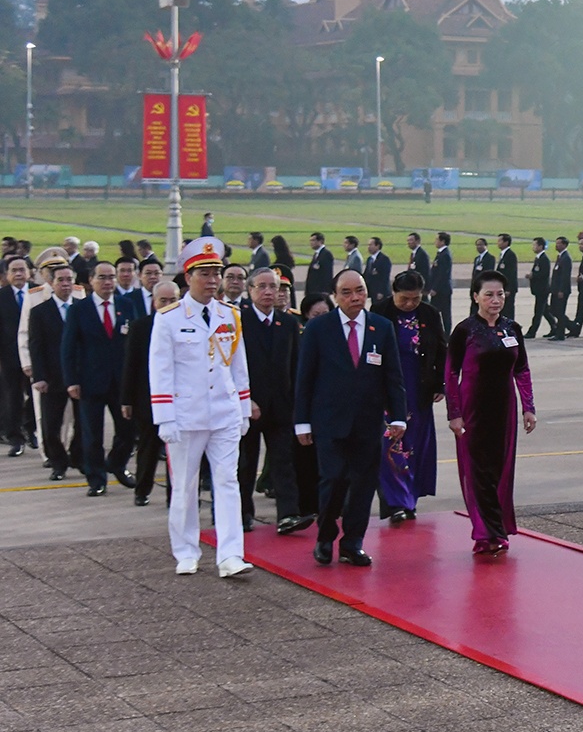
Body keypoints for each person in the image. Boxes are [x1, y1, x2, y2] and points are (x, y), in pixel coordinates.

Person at [152, 237, 254, 579]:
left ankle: (230, 555)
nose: (213, 280)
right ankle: (185, 550)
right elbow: (161, 370)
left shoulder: (230, 315)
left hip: (223, 413)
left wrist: (242, 408)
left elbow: (238, 367)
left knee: (228, 482)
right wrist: (165, 417)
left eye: (216, 273)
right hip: (186, 415)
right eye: (205, 273)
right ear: (188, 276)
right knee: (184, 486)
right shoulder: (168, 318)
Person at [295, 270, 408, 569]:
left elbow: (393, 377)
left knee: (362, 484)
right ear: (335, 296)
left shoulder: (381, 328)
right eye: (347, 292)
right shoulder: (319, 329)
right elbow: (304, 379)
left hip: (367, 423)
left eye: (360, 290)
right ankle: (325, 536)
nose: (355, 297)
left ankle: (352, 543)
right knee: (332, 480)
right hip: (329, 422)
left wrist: (398, 417)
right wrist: (302, 422)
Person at [446, 269, 535, 555]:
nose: (495, 300)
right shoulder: (465, 330)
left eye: (500, 295)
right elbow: (451, 373)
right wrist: (454, 412)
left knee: (500, 469)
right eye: (489, 295)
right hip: (474, 409)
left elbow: (521, 369)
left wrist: (528, 407)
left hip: (504, 409)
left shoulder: (512, 329)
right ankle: (484, 532)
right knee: (477, 470)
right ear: (475, 297)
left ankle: (498, 529)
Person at [373, 270, 446, 523]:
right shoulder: (379, 311)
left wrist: (440, 383)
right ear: (394, 292)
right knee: (391, 445)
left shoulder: (429, 314)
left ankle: (409, 500)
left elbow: (441, 349)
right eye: (404, 298)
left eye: (415, 299)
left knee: (414, 446)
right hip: (388, 388)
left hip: (419, 388)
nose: (410, 304)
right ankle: (395, 503)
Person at [239, 268, 307, 536]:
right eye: (262, 286)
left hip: (281, 407)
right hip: (249, 406)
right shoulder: (239, 321)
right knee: (245, 463)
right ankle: (243, 513)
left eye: (274, 287)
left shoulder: (288, 323)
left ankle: (288, 514)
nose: (269, 292)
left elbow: (295, 366)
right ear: (250, 290)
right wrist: (245, 399)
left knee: (283, 463)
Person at [63, 257, 134, 496]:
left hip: (121, 382)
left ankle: (116, 463)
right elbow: (68, 348)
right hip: (90, 382)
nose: (107, 282)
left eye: (111, 277)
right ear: (91, 281)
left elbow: (133, 345)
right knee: (92, 434)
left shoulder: (127, 304)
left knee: (127, 431)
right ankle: (96, 479)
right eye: (101, 277)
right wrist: (71, 381)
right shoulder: (78, 310)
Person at [120, 277, 179, 508]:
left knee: (176, 453)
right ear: (154, 302)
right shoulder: (141, 327)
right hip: (148, 399)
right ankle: (142, 489)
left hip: (179, 399)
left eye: (172, 300)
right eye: (163, 300)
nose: (167, 304)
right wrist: (127, 399)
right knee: (148, 447)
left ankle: (174, 496)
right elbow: (130, 366)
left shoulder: (187, 324)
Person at [26, 258, 77, 481]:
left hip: (77, 376)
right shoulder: (40, 311)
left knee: (84, 424)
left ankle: (78, 456)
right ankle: (58, 462)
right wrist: (39, 377)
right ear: (52, 283)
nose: (65, 284)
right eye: (61, 280)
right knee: (51, 425)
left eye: (69, 280)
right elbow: (35, 346)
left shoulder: (81, 309)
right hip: (52, 377)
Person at [0, 256, 32, 455]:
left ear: (29, 272)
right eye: (14, 270)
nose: (19, 274)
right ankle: (15, 438)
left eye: (22, 269)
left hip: (35, 355)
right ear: (7, 274)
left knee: (37, 396)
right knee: (12, 397)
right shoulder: (2, 296)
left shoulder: (39, 293)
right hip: (9, 356)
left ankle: (31, 428)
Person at [545, 236, 573, 341]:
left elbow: (565, 276)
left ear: (564, 245)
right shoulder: (560, 257)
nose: (556, 245)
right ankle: (571, 326)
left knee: (560, 312)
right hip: (555, 290)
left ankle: (560, 334)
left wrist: (561, 290)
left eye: (559, 244)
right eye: (556, 243)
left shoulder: (566, 258)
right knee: (554, 310)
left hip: (561, 290)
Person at [525, 236, 552, 339]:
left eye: (535, 245)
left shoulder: (544, 259)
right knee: (545, 311)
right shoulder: (538, 258)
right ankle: (555, 327)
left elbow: (544, 274)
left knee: (538, 312)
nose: (533, 247)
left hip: (542, 290)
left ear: (541, 246)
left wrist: (533, 276)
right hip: (538, 289)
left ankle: (532, 331)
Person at [429, 231, 454, 329]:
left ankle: (447, 335)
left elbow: (443, 274)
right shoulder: (441, 254)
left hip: (442, 290)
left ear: (442, 241)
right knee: (433, 312)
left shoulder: (445, 255)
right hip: (439, 289)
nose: (435, 241)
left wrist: (435, 288)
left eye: (437, 239)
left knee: (445, 314)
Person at [494, 234, 518, 322]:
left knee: (508, 310)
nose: (498, 243)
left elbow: (512, 274)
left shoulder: (510, 255)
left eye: (500, 241)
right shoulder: (503, 255)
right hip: (502, 288)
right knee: (502, 310)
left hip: (508, 289)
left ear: (506, 242)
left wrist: (508, 288)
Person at [469, 237, 495, 315]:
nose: (478, 247)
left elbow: (488, 274)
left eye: (480, 245)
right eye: (477, 245)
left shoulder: (490, 258)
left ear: (485, 245)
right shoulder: (477, 259)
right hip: (476, 289)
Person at [305, 233, 334, 304]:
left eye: (313, 240)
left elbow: (327, 274)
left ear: (320, 241)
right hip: (313, 291)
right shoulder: (317, 254)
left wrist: (325, 291)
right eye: (310, 241)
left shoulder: (326, 254)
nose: (311, 243)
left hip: (320, 291)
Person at [364, 236, 393, 302]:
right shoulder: (369, 259)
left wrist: (381, 292)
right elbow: (366, 275)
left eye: (371, 245)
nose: (368, 247)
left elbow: (385, 277)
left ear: (377, 246)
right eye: (368, 245)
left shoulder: (384, 259)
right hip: (372, 291)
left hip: (380, 293)